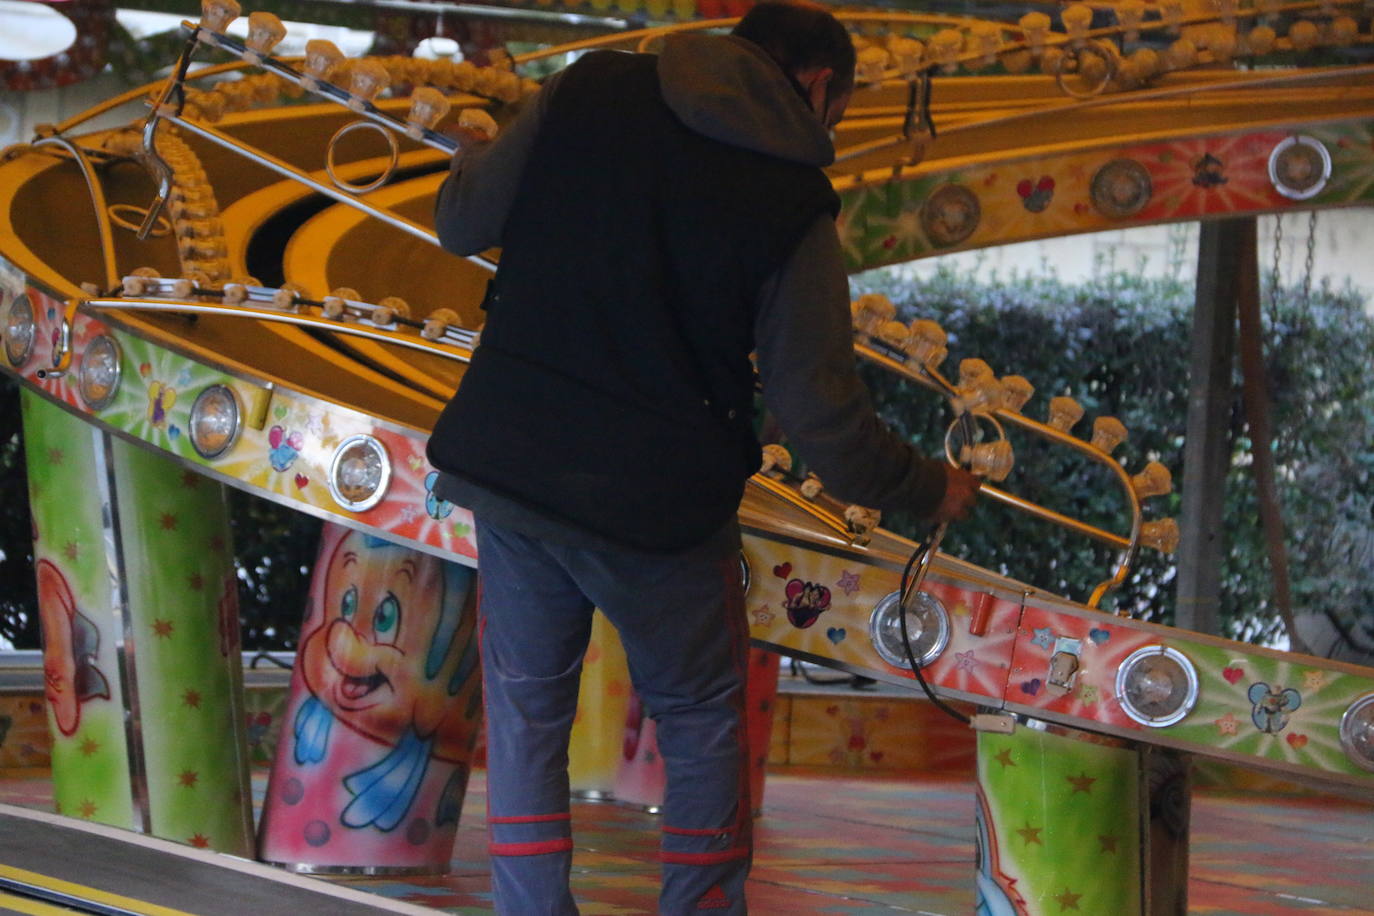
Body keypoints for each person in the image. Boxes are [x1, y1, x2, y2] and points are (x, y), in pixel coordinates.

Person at [426, 3, 980, 912]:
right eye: (838, 108)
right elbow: (819, 410)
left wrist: (472, 152)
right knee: (699, 718)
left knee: (527, 717)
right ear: (816, 84)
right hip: (659, 505)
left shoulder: (586, 90)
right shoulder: (794, 201)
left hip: (513, 459)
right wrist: (922, 486)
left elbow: (458, 222)